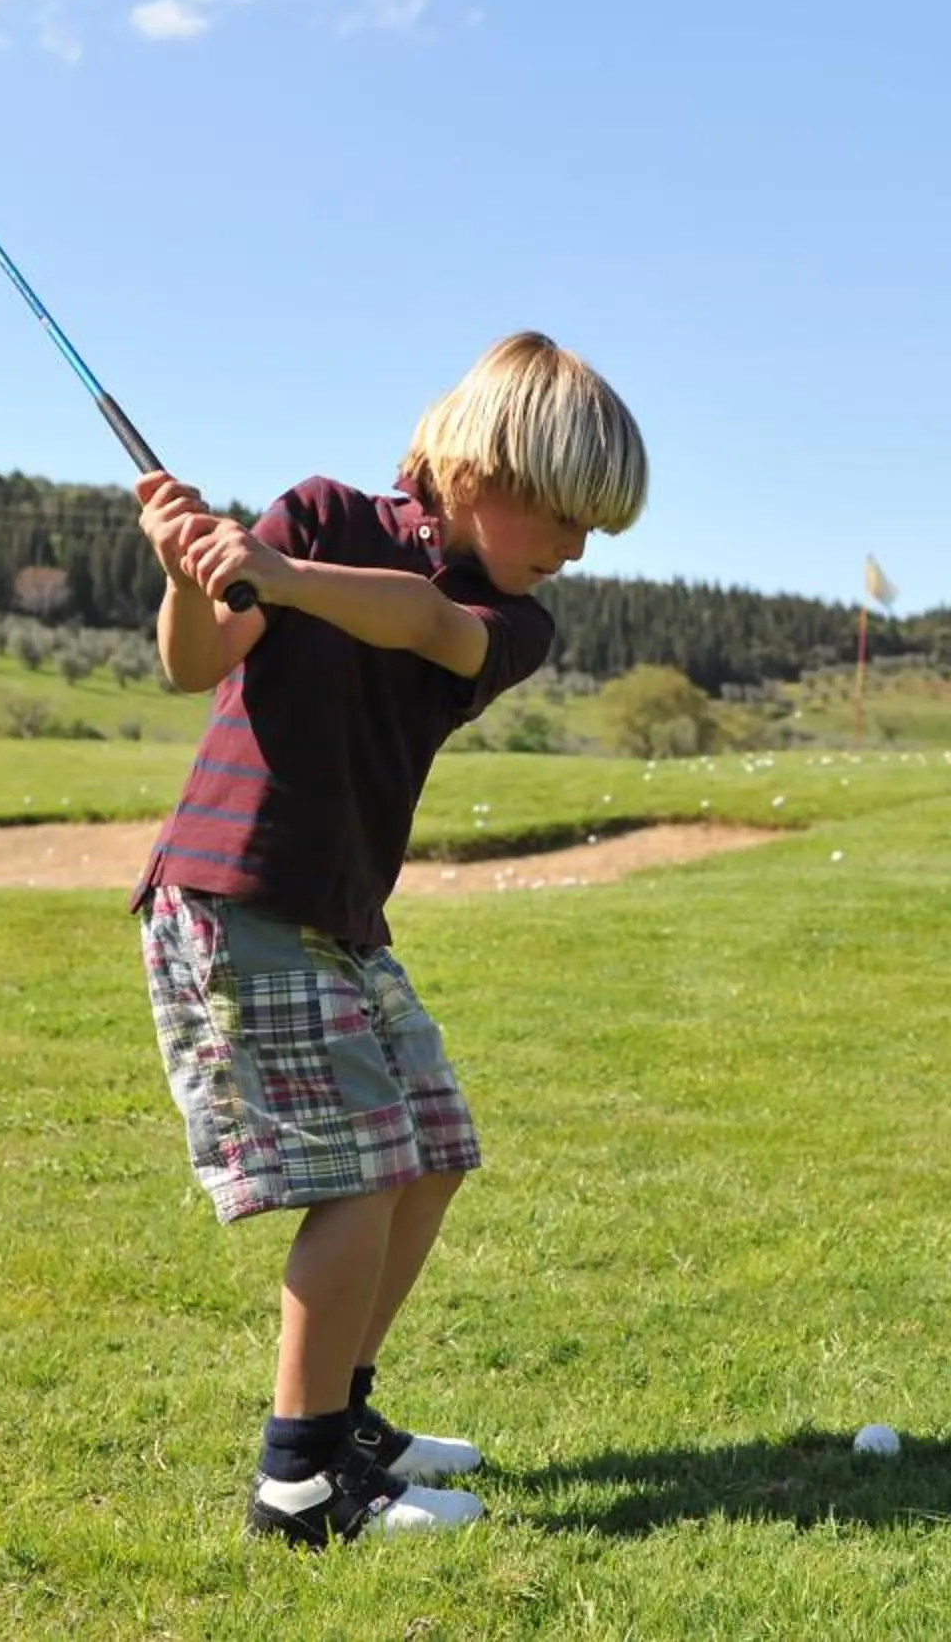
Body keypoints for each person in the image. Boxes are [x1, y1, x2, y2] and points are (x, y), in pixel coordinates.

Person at [132, 331, 648, 1548]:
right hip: (236, 892)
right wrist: (187, 569)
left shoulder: (507, 620)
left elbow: (422, 625)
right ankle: (300, 1485)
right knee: (357, 1174)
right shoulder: (313, 513)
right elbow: (193, 659)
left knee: (431, 1150)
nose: (572, 553)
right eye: (565, 520)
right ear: (483, 469)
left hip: (341, 917)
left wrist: (279, 573)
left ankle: (342, 1417)